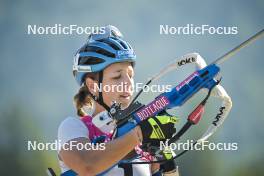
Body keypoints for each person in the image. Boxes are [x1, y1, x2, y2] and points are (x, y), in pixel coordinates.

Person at [57, 25, 179, 176]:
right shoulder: (73, 127)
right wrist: (139, 134)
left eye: (130, 75)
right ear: (93, 86)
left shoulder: (144, 131)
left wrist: (166, 159)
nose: (128, 82)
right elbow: (87, 165)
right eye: (117, 76)